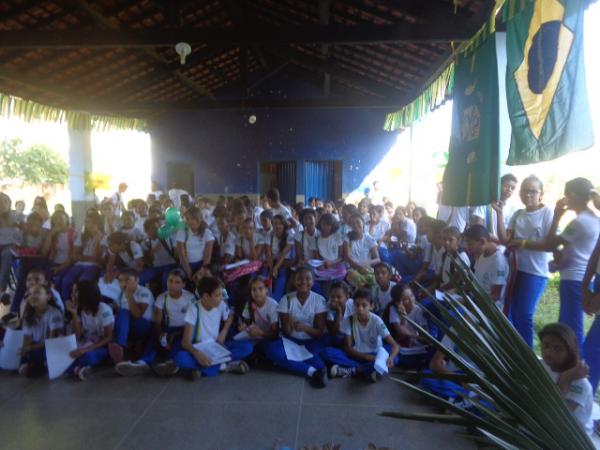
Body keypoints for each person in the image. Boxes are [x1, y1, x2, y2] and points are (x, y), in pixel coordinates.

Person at [530, 178, 599, 347]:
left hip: (574, 279)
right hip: (581, 277)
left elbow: (549, 243)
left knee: (571, 328)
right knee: (568, 325)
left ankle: (576, 369)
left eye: (565, 196)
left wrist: (557, 215)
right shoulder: (594, 219)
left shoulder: (579, 222)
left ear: (571, 196)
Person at [496, 175, 554, 348]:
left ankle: (527, 356)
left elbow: (549, 245)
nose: (528, 195)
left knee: (524, 313)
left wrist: (523, 243)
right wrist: (499, 214)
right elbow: (505, 239)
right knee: (511, 312)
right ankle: (513, 352)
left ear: (540, 194)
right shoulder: (518, 214)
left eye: (533, 191)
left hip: (535, 272)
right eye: (525, 191)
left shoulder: (547, 213)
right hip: (516, 271)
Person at [115, 269, 195, 376]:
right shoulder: (161, 298)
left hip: (185, 328)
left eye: (177, 282)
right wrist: (160, 334)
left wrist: (178, 333)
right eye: (170, 281)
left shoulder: (190, 298)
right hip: (168, 327)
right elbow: (157, 322)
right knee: (153, 339)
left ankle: (171, 363)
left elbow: (194, 320)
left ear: (183, 284)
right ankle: (143, 362)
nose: (172, 285)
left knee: (179, 341)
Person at [174, 276, 252, 378]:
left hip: (216, 347)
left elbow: (230, 316)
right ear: (206, 296)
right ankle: (224, 366)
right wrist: (198, 354)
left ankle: (202, 369)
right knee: (181, 358)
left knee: (247, 346)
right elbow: (185, 342)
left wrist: (223, 332)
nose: (221, 298)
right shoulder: (194, 309)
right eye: (217, 295)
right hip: (199, 349)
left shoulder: (220, 305)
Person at [264, 267, 329, 387]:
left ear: (313, 281)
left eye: (308, 279)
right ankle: (311, 371)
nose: (303, 282)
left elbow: (318, 332)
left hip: (311, 341)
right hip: (291, 341)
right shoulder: (286, 300)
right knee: (272, 351)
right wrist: (288, 323)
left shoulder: (319, 301)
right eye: (299, 279)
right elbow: (287, 332)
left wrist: (305, 328)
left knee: (320, 363)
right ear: (294, 281)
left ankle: (298, 364)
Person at [323, 288, 399, 382]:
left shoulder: (377, 321)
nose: (360, 308)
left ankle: (353, 370)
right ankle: (370, 370)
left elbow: (395, 345)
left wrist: (391, 358)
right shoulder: (350, 320)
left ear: (371, 306)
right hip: (358, 355)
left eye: (364, 305)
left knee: (395, 358)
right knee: (327, 352)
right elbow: (348, 348)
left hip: (375, 354)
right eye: (357, 305)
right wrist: (366, 357)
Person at [539, 323, 594, 436]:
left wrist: (565, 378)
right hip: (544, 422)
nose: (549, 352)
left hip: (573, 435)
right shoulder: (542, 365)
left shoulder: (580, 383)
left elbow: (559, 417)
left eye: (558, 349)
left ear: (569, 352)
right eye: (546, 346)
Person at [67, 280, 114, 381]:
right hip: (86, 342)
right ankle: (78, 369)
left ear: (86, 293)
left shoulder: (103, 309)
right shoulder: (79, 309)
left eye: (76, 291)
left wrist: (85, 350)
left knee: (87, 357)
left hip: (101, 345)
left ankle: (77, 367)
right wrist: (74, 314)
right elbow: (78, 336)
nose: (72, 294)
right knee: (66, 355)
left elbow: (108, 337)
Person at [108, 269, 154, 364]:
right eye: (120, 281)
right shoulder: (120, 294)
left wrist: (129, 295)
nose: (123, 283)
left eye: (127, 280)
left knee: (124, 312)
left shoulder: (144, 292)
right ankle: (117, 351)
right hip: (129, 327)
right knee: (113, 318)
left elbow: (137, 314)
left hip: (145, 326)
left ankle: (120, 345)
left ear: (137, 280)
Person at [18, 284, 64, 377]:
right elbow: (27, 339)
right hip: (36, 346)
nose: (33, 296)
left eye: (37, 292)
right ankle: (36, 365)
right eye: (30, 294)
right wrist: (24, 349)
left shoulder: (54, 313)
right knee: (24, 365)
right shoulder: (28, 315)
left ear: (48, 296)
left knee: (45, 353)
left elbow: (52, 341)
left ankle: (43, 365)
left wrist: (30, 348)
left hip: (50, 347)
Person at [60, 211, 104, 302]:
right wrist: (89, 258)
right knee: (66, 280)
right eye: (87, 222)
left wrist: (97, 241)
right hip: (79, 264)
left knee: (84, 281)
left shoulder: (103, 237)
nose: (90, 225)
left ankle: (82, 306)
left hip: (94, 266)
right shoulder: (82, 236)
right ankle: (66, 305)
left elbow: (98, 258)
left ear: (98, 223)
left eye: (93, 222)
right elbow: (75, 256)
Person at [464, 225, 509, 311]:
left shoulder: (498, 261)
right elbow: (476, 281)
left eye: (470, 244)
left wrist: (469, 302)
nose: (468, 247)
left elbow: (495, 296)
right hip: (476, 303)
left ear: (482, 241)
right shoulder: (481, 255)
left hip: (488, 310)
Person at [237, 276, 279, 352]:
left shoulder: (272, 306)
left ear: (266, 289)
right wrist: (244, 326)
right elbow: (247, 321)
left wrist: (262, 333)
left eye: (260, 288)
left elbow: (275, 334)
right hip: (254, 334)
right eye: (254, 289)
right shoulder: (249, 304)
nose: (257, 292)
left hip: (267, 337)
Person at [176, 207, 215, 283]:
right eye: (187, 219)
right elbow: (181, 255)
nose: (189, 221)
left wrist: (199, 273)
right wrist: (189, 273)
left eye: (192, 218)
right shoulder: (182, 231)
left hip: (201, 265)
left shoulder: (207, 233)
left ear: (199, 219)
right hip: (185, 264)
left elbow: (207, 256)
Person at [41, 210, 73, 298]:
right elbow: (44, 251)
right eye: (55, 219)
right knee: (43, 280)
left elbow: (73, 256)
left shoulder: (73, 233)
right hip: (53, 262)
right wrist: (51, 234)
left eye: (60, 218)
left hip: (68, 264)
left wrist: (59, 268)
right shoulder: (52, 233)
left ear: (66, 219)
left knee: (58, 280)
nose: (58, 221)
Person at [344, 213, 380, 288]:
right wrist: (358, 267)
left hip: (367, 269)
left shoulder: (369, 239)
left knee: (374, 280)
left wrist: (366, 263)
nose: (355, 225)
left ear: (363, 223)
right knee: (359, 280)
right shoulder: (348, 237)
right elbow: (347, 256)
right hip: (352, 269)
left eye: (358, 222)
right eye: (352, 223)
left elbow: (377, 259)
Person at [266, 214, 294, 301]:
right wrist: (271, 268)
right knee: (265, 274)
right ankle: (264, 298)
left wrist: (276, 268)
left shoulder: (290, 234)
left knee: (282, 275)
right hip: (273, 262)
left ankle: (275, 300)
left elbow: (283, 253)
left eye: (279, 223)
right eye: (274, 223)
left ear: (284, 224)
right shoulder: (270, 234)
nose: (277, 226)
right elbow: (269, 254)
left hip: (286, 263)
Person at [437, 226, 470, 292]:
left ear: (459, 240)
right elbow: (440, 276)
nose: (446, 242)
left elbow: (455, 283)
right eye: (444, 239)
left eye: (450, 240)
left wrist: (438, 290)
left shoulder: (461, 257)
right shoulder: (444, 254)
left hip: (455, 292)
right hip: (443, 287)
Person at [488, 174, 518, 240]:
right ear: (498, 186)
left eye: (512, 188)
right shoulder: (487, 205)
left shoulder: (513, 210)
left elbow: (509, 236)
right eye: (506, 186)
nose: (509, 190)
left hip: (504, 246)